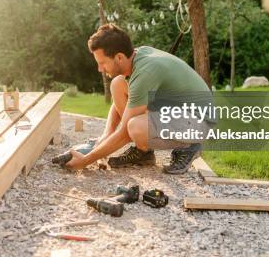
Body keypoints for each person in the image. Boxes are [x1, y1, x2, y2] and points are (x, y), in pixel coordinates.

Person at [66, 23, 213, 174]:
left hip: (199, 121)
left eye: (102, 63)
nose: (100, 69)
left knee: (135, 127)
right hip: (179, 112)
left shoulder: (145, 72)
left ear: (119, 57)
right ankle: (144, 152)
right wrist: (106, 135)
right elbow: (126, 103)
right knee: (117, 84)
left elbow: (124, 134)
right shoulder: (136, 58)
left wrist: (86, 160)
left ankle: (189, 146)